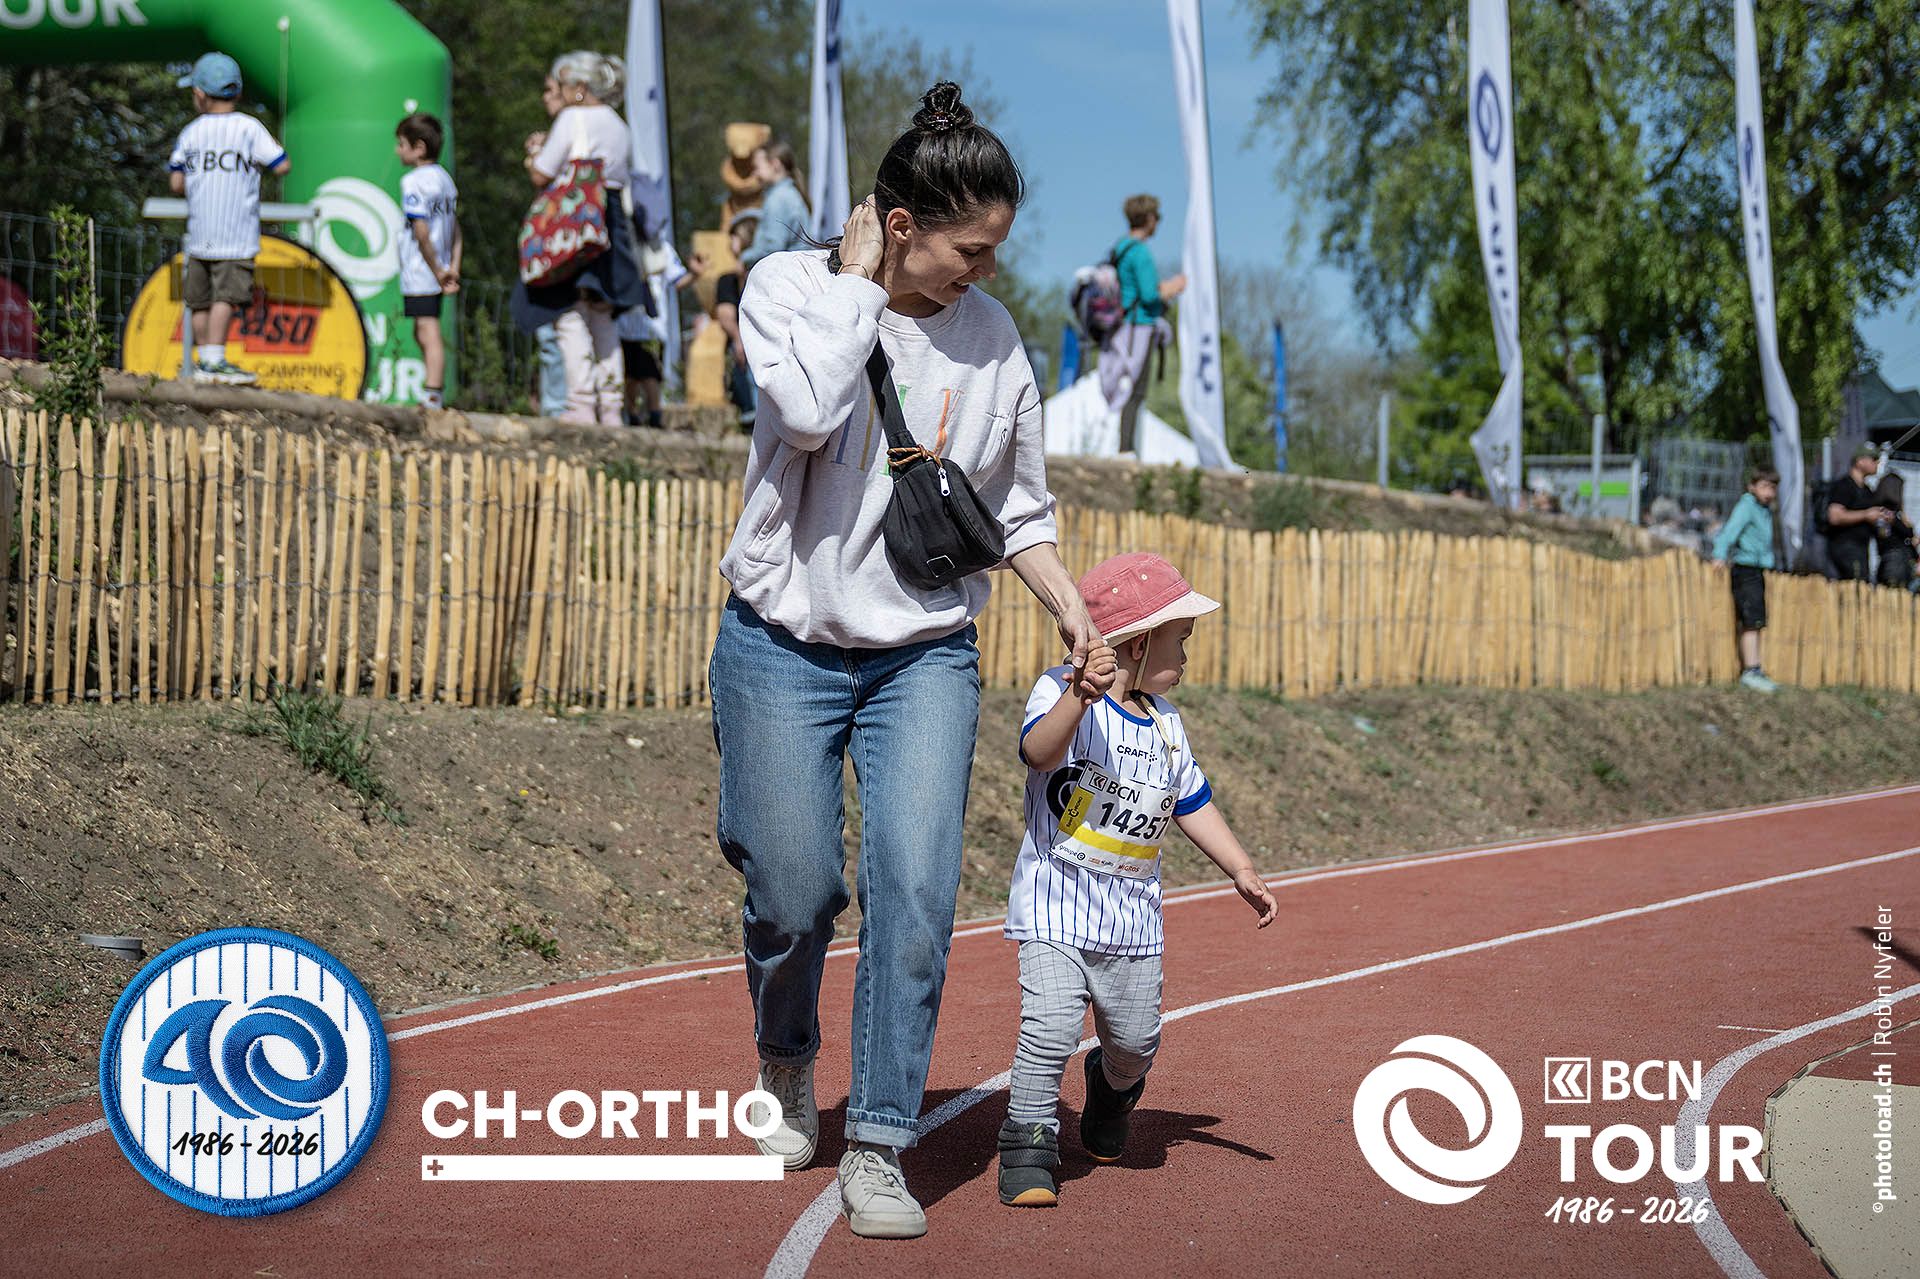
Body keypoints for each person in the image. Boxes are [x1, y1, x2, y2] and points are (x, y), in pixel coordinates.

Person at [711, 82, 1103, 1241]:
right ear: (898, 225)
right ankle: (787, 1055)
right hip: (780, 641)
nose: (986, 271)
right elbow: (806, 413)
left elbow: (1017, 507)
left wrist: (1071, 609)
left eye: (996, 250)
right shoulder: (789, 288)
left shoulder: (994, 337)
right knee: (793, 891)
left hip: (924, 652)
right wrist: (853, 289)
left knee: (918, 894)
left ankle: (878, 1140)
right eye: (969, 249)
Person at [995, 551, 1277, 1208]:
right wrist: (1078, 696)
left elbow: (1192, 802)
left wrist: (1240, 867)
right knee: (1049, 1028)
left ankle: (1112, 1087)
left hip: (1133, 922)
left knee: (1134, 1042)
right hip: (1056, 907)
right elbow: (1038, 752)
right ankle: (1027, 1142)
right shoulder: (1060, 690)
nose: (1188, 653)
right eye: (1181, 638)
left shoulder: (1168, 726)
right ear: (1140, 641)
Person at [511, 51, 648, 426]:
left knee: (569, 315)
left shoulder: (573, 118)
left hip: (575, 226)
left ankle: (581, 403)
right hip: (610, 222)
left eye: (564, 84)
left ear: (579, 87)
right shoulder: (619, 125)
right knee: (603, 314)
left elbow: (542, 173)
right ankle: (612, 408)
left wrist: (534, 153)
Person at [165, 52, 290, 386]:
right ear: (237, 92)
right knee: (226, 297)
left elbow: (176, 182)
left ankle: (203, 360)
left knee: (199, 300)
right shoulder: (248, 127)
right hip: (236, 233)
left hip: (199, 233)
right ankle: (215, 360)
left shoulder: (191, 132)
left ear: (200, 94)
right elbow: (281, 164)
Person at [1098, 195, 1184, 457]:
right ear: (1148, 219)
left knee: (1127, 386)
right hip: (1140, 328)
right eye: (1157, 217)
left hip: (1122, 326)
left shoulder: (1121, 247)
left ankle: (1124, 447)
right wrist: (1174, 288)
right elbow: (1149, 295)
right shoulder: (1141, 252)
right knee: (1135, 390)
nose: (1158, 222)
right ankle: (1126, 449)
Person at [394, 113, 461, 410]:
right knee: (421, 330)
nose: (397, 150)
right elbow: (455, 228)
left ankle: (433, 395)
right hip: (439, 268)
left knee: (427, 330)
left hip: (422, 270)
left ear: (418, 148)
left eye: (401, 144)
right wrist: (452, 266)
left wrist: (436, 271)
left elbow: (421, 232)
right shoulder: (445, 180)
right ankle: (431, 392)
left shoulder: (413, 181)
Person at [616, 219, 705, 428]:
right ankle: (632, 416)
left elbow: (677, 280)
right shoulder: (622, 244)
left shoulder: (662, 248)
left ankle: (655, 416)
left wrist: (695, 274)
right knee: (630, 375)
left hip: (652, 326)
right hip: (625, 322)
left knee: (650, 373)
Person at [1711, 468, 1781, 694]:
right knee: (1751, 620)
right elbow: (1729, 531)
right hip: (1745, 569)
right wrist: (1719, 554)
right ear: (1752, 486)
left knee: (1757, 620)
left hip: (1757, 568)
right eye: (1765, 487)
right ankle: (1751, 670)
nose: (1769, 493)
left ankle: (1756, 668)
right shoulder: (1747, 507)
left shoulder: (1764, 509)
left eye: (1773, 488)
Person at [712, 209, 761, 427]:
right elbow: (725, 315)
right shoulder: (728, 280)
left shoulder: (767, 272)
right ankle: (751, 413)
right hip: (745, 339)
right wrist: (738, 338)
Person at [735, 140, 811, 273]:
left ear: (775, 164)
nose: (754, 174)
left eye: (757, 167)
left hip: (784, 275)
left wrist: (744, 258)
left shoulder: (778, 199)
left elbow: (772, 248)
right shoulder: (789, 194)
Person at [1825, 445, 1889, 582]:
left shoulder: (1867, 490)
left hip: (1861, 548)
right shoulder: (1844, 485)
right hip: (1844, 547)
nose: (1877, 463)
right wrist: (1866, 515)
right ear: (1860, 461)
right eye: (1874, 459)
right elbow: (1834, 516)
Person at [1874, 471, 1916, 590]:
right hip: (1895, 559)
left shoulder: (1895, 513)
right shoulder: (1886, 513)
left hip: (1900, 559)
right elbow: (1905, 532)